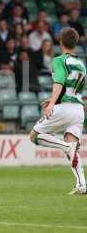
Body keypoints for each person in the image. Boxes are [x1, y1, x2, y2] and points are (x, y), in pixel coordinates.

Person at [30, 28, 86, 195]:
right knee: (73, 148)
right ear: (75, 43)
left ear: (61, 42)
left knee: (34, 136)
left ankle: (66, 147)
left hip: (64, 108)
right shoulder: (81, 64)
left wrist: (52, 104)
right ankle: (82, 184)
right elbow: (74, 89)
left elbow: (59, 82)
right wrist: (54, 99)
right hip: (78, 109)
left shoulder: (59, 60)